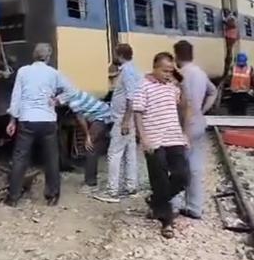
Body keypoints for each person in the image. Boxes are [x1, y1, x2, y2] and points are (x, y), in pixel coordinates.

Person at [5, 43, 73, 207]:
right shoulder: (54, 73)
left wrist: (12, 120)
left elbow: (16, 98)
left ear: (33, 55)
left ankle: (13, 197)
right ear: (48, 57)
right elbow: (71, 91)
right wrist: (57, 100)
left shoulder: (23, 71)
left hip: (27, 120)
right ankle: (52, 196)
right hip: (48, 121)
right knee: (51, 159)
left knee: (20, 158)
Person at [134, 52, 190, 239]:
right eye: (165, 70)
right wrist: (143, 138)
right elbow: (138, 114)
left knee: (183, 176)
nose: (168, 74)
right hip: (154, 139)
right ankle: (167, 221)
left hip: (174, 137)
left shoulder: (172, 87)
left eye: (170, 71)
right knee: (160, 180)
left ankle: (156, 200)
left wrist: (184, 134)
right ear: (155, 67)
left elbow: (182, 108)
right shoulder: (143, 85)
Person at [171, 40, 217, 220]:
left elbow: (179, 103)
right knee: (195, 167)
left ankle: (174, 204)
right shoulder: (200, 73)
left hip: (182, 124)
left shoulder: (179, 75)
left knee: (176, 165)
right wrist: (203, 110)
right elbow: (213, 92)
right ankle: (194, 207)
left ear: (176, 55)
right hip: (198, 122)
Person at [96, 43, 142, 203]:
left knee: (114, 154)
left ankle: (112, 191)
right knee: (130, 153)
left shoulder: (128, 72)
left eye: (114, 54)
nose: (113, 58)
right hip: (127, 119)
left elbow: (131, 98)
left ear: (120, 55)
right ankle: (131, 187)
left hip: (122, 119)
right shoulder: (133, 69)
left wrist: (125, 121)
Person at [54, 89, 112, 193]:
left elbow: (80, 119)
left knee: (90, 147)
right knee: (94, 147)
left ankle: (90, 183)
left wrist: (88, 136)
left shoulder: (73, 102)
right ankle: (91, 178)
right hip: (104, 114)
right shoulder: (73, 93)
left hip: (101, 117)